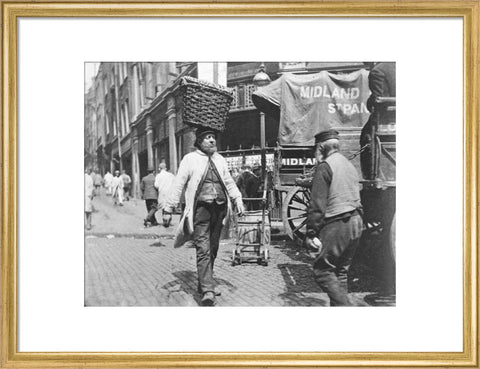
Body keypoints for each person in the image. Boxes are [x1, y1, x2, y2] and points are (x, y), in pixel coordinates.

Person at [164, 127, 245, 306]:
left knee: (214, 247)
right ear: (199, 141)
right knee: (203, 248)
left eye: (213, 137)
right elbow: (179, 183)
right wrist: (168, 208)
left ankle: (204, 282)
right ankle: (208, 290)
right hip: (201, 210)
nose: (211, 140)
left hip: (220, 209)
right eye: (207, 138)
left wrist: (237, 198)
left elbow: (229, 181)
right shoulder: (190, 159)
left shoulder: (220, 159)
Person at [305, 129, 363, 306]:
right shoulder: (348, 164)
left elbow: (317, 205)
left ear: (321, 147)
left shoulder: (325, 166)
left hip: (338, 222)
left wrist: (311, 233)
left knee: (322, 271)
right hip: (357, 220)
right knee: (340, 272)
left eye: (316, 149)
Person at [360, 62, 396, 179]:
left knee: (366, 136)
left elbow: (378, 100)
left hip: (387, 119)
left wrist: (369, 102)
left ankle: (371, 176)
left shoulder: (378, 71)